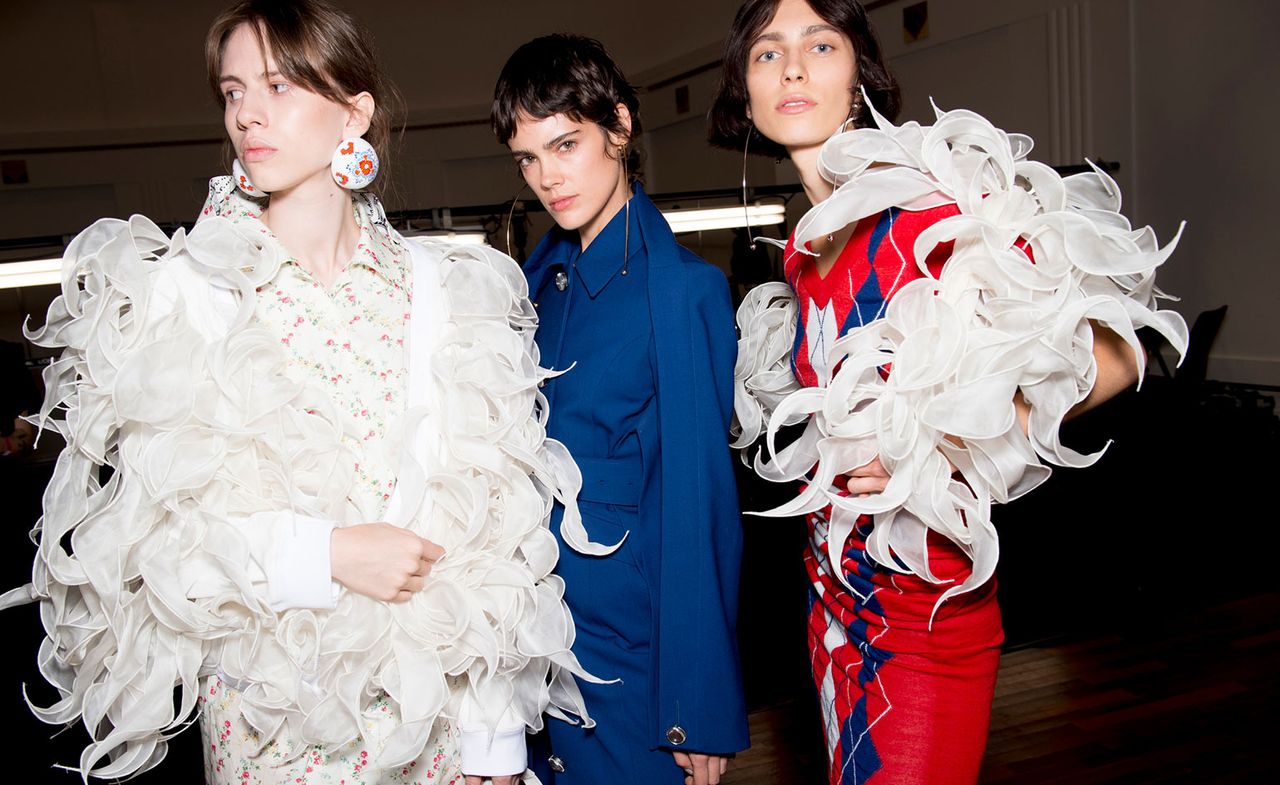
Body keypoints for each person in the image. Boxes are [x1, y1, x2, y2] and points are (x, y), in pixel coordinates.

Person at [9, 2, 598, 782]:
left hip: (437, 726)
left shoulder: (441, 289)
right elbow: (160, 549)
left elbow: (488, 543)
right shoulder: (185, 295)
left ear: (355, 112)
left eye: (280, 86)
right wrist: (327, 553)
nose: (248, 112)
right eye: (232, 91)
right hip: (272, 728)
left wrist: (495, 744)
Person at [708, 1, 1187, 784]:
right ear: (745, 90)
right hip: (832, 604)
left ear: (859, 71)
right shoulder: (805, 245)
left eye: (819, 44)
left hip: (924, 618)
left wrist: (954, 439)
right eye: (767, 53)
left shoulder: (923, 209)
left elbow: (1116, 352)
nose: (792, 67)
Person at [491, 34, 749, 785]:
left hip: (633, 664)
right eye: (528, 158)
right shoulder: (538, 280)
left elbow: (696, 504)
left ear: (621, 126)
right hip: (542, 647)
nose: (547, 177)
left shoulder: (681, 290)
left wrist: (695, 703)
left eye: (566, 144)